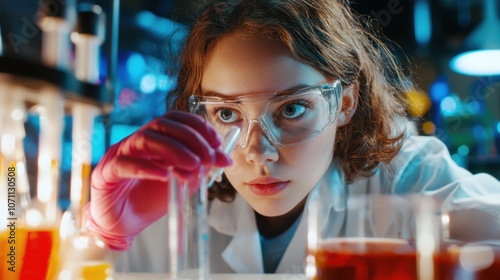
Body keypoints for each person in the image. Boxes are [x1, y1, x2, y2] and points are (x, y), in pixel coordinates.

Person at [84, 0, 500, 274]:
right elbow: (16, 258)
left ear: (345, 103)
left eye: (291, 109)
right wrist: (100, 240)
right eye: (227, 113)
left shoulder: (405, 174)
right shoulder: (165, 194)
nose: (258, 152)